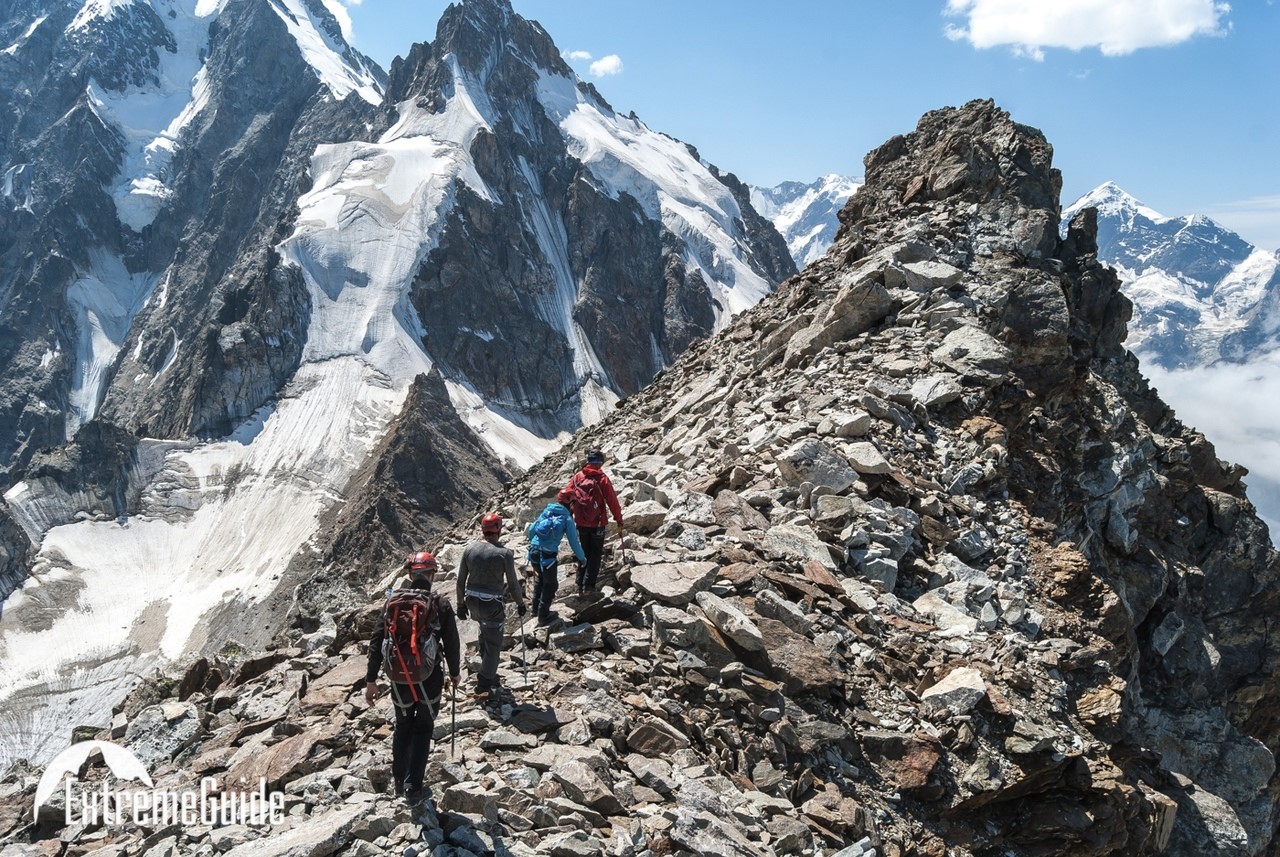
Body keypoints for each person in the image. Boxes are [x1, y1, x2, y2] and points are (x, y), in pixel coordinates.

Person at [365, 551, 460, 804]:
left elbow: (376, 641)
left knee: (403, 725)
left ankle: (398, 780)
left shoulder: (392, 603)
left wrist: (371, 680)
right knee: (424, 727)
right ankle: (413, 787)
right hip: (429, 676)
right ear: (432, 574)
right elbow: (451, 641)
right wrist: (455, 672)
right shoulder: (439, 603)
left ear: (410, 574)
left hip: (398, 677)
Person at [456, 513, 526, 697]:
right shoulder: (504, 554)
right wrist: (520, 604)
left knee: (483, 630)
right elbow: (512, 584)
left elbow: (461, 580)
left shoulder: (470, 549)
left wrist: (460, 604)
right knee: (494, 643)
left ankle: (488, 671)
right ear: (499, 529)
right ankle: (484, 683)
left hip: (472, 603)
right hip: (491, 605)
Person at [566, 448, 624, 597]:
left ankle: (579, 584)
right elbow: (612, 500)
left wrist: (568, 517)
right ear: (600, 462)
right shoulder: (602, 478)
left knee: (583, 552)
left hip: (580, 522)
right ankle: (589, 586)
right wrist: (619, 519)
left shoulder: (577, 477)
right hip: (598, 524)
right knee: (595, 554)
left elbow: (566, 495)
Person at [526, 488, 587, 625]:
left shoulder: (547, 511)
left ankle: (534, 610)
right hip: (548, 555)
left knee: (540, 580)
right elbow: (573, 542)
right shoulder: (566, 518)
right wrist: (582, 558)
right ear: (570, 503)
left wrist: (534, 543)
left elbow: (531, 530)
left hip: (534, 551)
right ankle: (543, 615)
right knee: (551, 584)